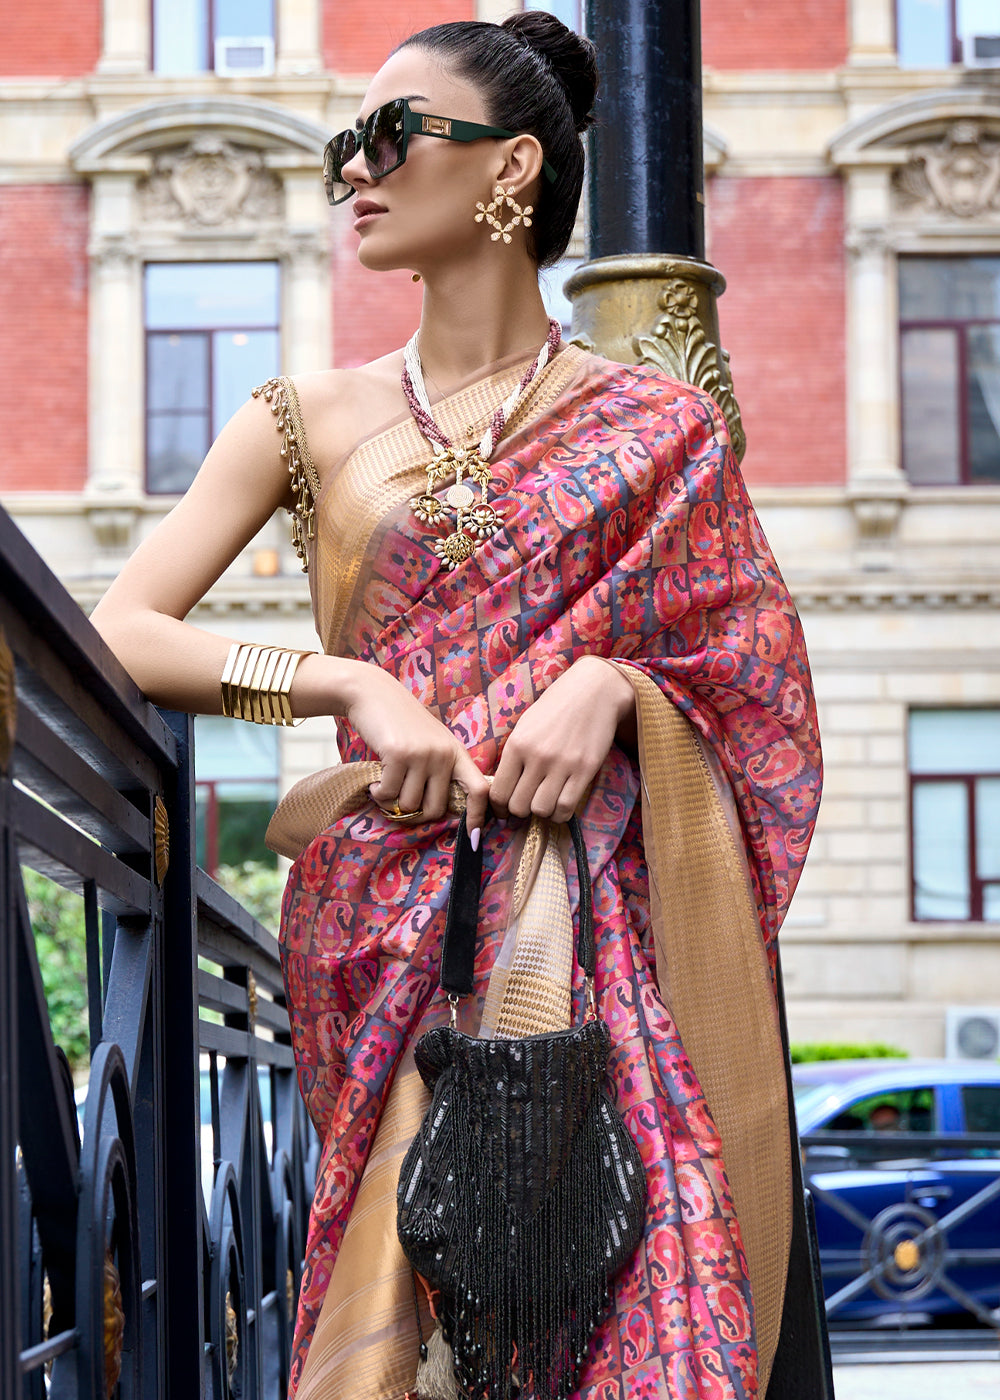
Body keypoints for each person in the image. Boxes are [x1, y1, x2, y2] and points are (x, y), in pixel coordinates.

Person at [91, 13, 822, 1399]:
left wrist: (616, 689)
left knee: (645, 1296)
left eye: (392, 134)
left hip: (603, 935)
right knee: (407, 1319)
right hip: (383, 921)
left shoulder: (658, 426)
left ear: (512, 168)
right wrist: (348, 684)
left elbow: (755, 679)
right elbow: (125, 633)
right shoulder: (305, 416)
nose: (354, 169)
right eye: (342, 145)